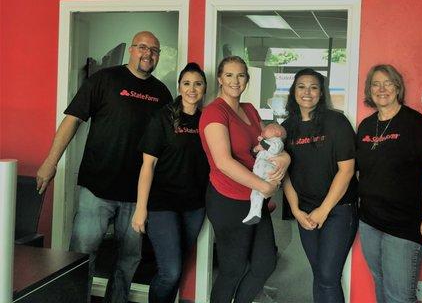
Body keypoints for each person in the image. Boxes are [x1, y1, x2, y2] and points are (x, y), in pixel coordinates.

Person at [36, 31, 172, 303]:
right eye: (143, 47)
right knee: (81, 256)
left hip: (137, 196)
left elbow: (168, 144)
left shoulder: (162, 93)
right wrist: (50, 163)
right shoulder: (105, 79)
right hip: (96, 189)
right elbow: (72, 121)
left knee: (129, 260)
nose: (148, 54)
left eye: (155, 50)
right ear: (132, 50)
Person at [199, 55, 290, 303]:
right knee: (233, 269)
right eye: (229, 75)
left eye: (241, 75)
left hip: (253, 199)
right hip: (228, 199)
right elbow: (223, 163)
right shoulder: (213, 113)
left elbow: (268, 145)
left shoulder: (249, 109)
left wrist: (285, 159)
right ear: (219, 78)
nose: (235, 80)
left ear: (247, 80)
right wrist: (265, 186)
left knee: (265, 263)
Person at [356, 64, 422, 303]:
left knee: (399, 295)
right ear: (369, 90)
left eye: (388, 83)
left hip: (404, 225)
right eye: (376, 84)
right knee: (381, 283)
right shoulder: (366, 126)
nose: (382, 89)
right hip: (369, 221)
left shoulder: (415, 123)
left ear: (398, 87)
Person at [131, 63, 209, 303]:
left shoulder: (207, 121)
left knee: (175, 270)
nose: (192, 89)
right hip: (162, 204)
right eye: (187, 83)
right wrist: (141, 208)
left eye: (197, 83)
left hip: (194, 206)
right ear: (179, 87)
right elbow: (148, 166)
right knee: (171, 271)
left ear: (204, 88)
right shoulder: (163, 118)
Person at [281, 68, 358, 303]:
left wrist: (323, 210)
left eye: (313, 87)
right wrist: (296, 210)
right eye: (301, 86)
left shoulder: (336, 122)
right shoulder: (287, 127)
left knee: (327, 276)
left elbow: (347, 171)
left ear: (321, 93)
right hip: (305, 212)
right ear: (293, 91)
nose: (307, 92)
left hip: (338, 210)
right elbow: (286, 175)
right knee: (319, 274)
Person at [243, 122, 286, 225]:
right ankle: (254, 213)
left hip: (267, 168)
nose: (263, 130)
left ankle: (255, 211)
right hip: (260, 169)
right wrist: (257, 148)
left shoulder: (277, 142)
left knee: (259, 190)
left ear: (277, 132)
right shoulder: (267, 142)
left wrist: (262, 142)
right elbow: (255, 151)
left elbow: (274, 149)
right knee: (255, 192)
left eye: (267, 128)